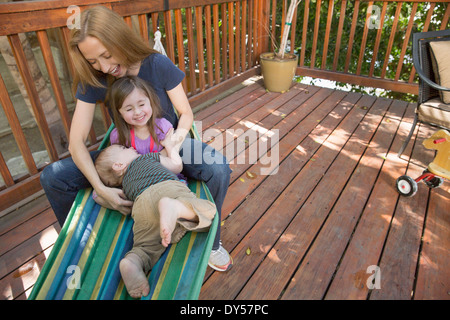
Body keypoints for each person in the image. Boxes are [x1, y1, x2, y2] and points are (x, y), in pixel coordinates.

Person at [39, 5, 232, 272]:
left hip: (166, 145)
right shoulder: (95, 78)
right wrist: (102, 189)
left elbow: (185, 113)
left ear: (120, 38)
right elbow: (76, 143)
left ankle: (212, 242)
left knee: (218, 168)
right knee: (53, 177)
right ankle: (81, 246)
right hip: (127, 155)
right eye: (94, 61)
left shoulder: (156, 64)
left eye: (106, 55)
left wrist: (175, 141)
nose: (104, 66)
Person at [95, 141, 216, 298]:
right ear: (118, 165)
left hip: (141, 205)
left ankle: (133, 261)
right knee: (209, 211)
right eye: (124, 148)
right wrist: (171, 148)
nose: (132, 147)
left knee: (145, 246)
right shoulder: (146, 158)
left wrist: (104, 194)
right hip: (167, 188)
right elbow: (176, 166)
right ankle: (176, 208)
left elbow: (98, 197)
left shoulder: (125, 187)